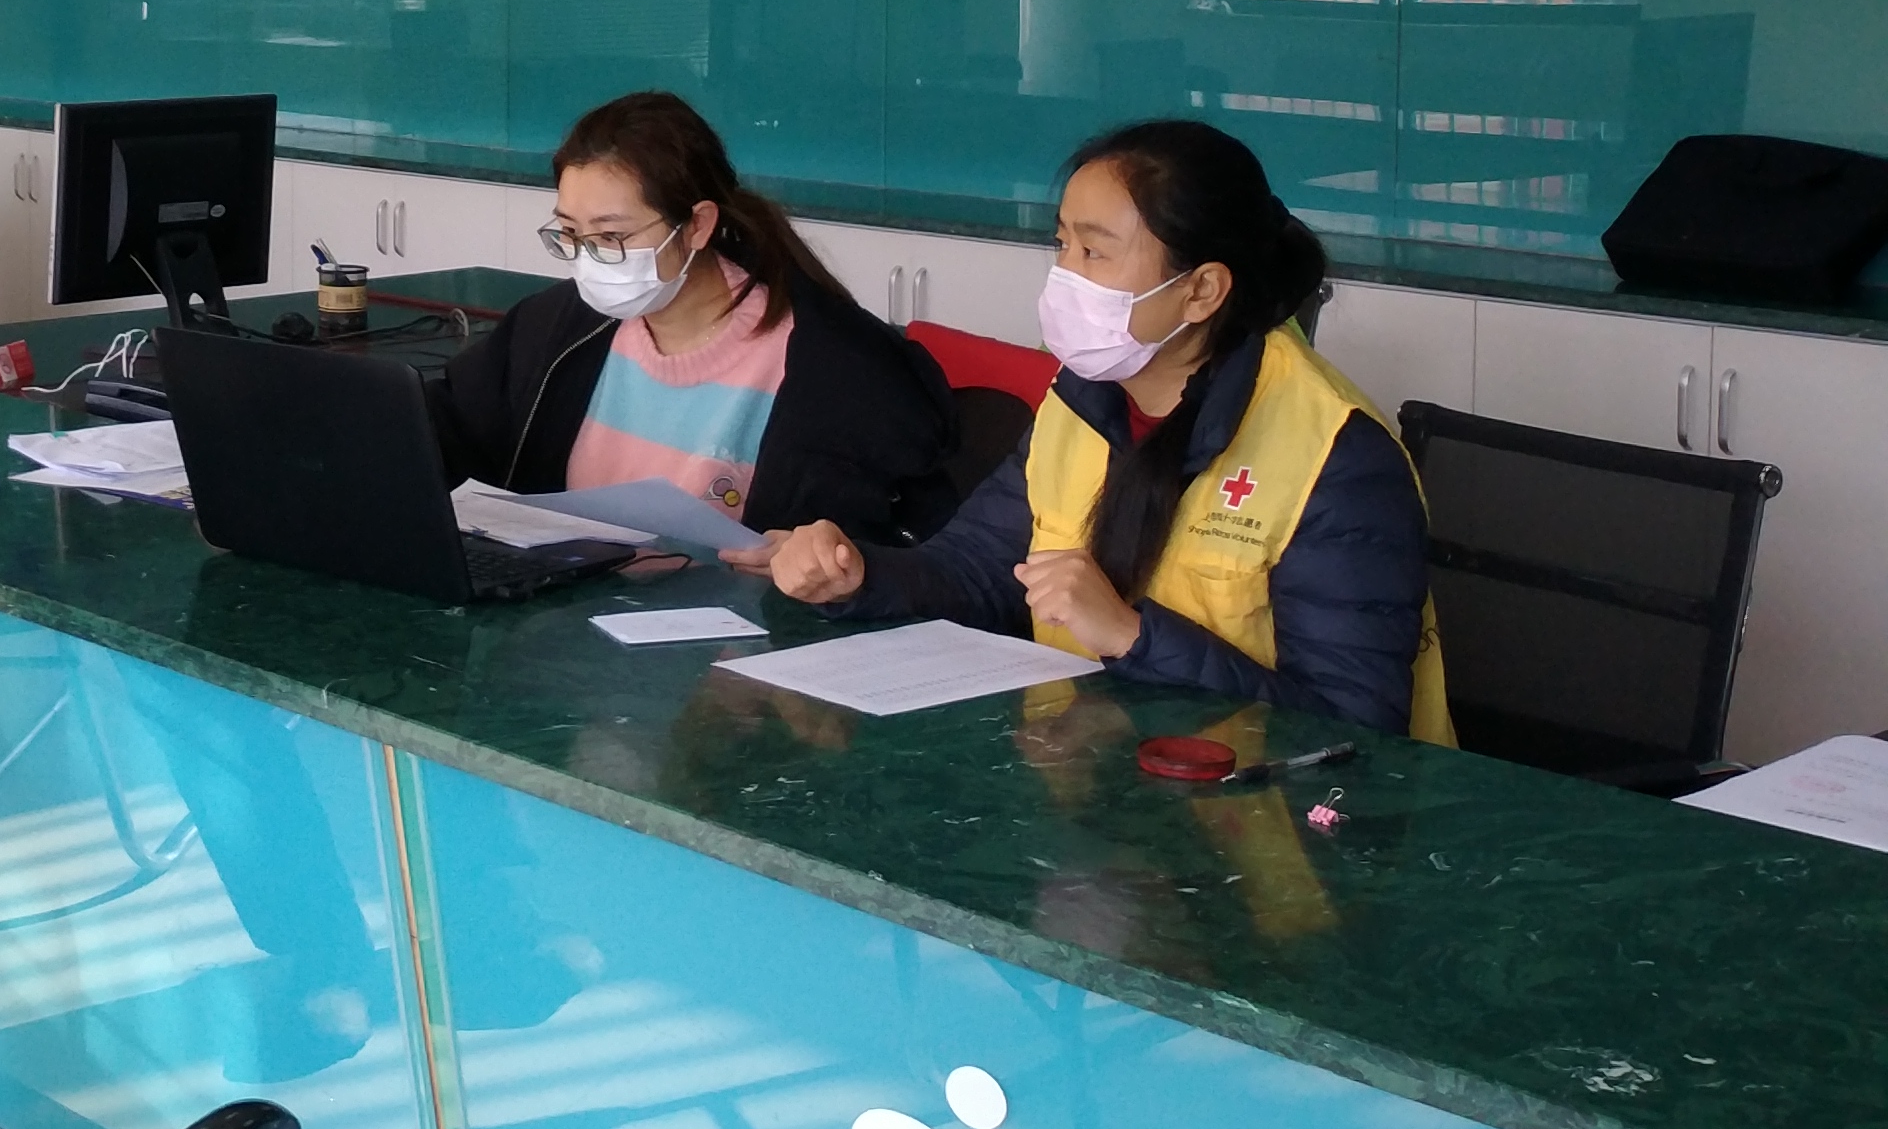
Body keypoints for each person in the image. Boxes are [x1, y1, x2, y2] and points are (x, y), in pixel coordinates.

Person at [767, 116, 1453, 741]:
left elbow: (1354, 731)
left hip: (1276, 823)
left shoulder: (1336, 456)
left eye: (1094, 253)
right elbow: (979, 567)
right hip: (1102, 779)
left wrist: (1132, 636)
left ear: (1201, 290)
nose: (1064, 276)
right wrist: (858, 575)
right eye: (1062, 244)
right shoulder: (1083, 399)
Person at [442, 90, 956, 548]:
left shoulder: (835, 368)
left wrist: (814, 560)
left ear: (698, 226)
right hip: (570, 608)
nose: (588, 259)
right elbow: (449, 434)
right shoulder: (559, 329)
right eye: (571, 233)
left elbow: (891, 549)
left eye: (612, 236)